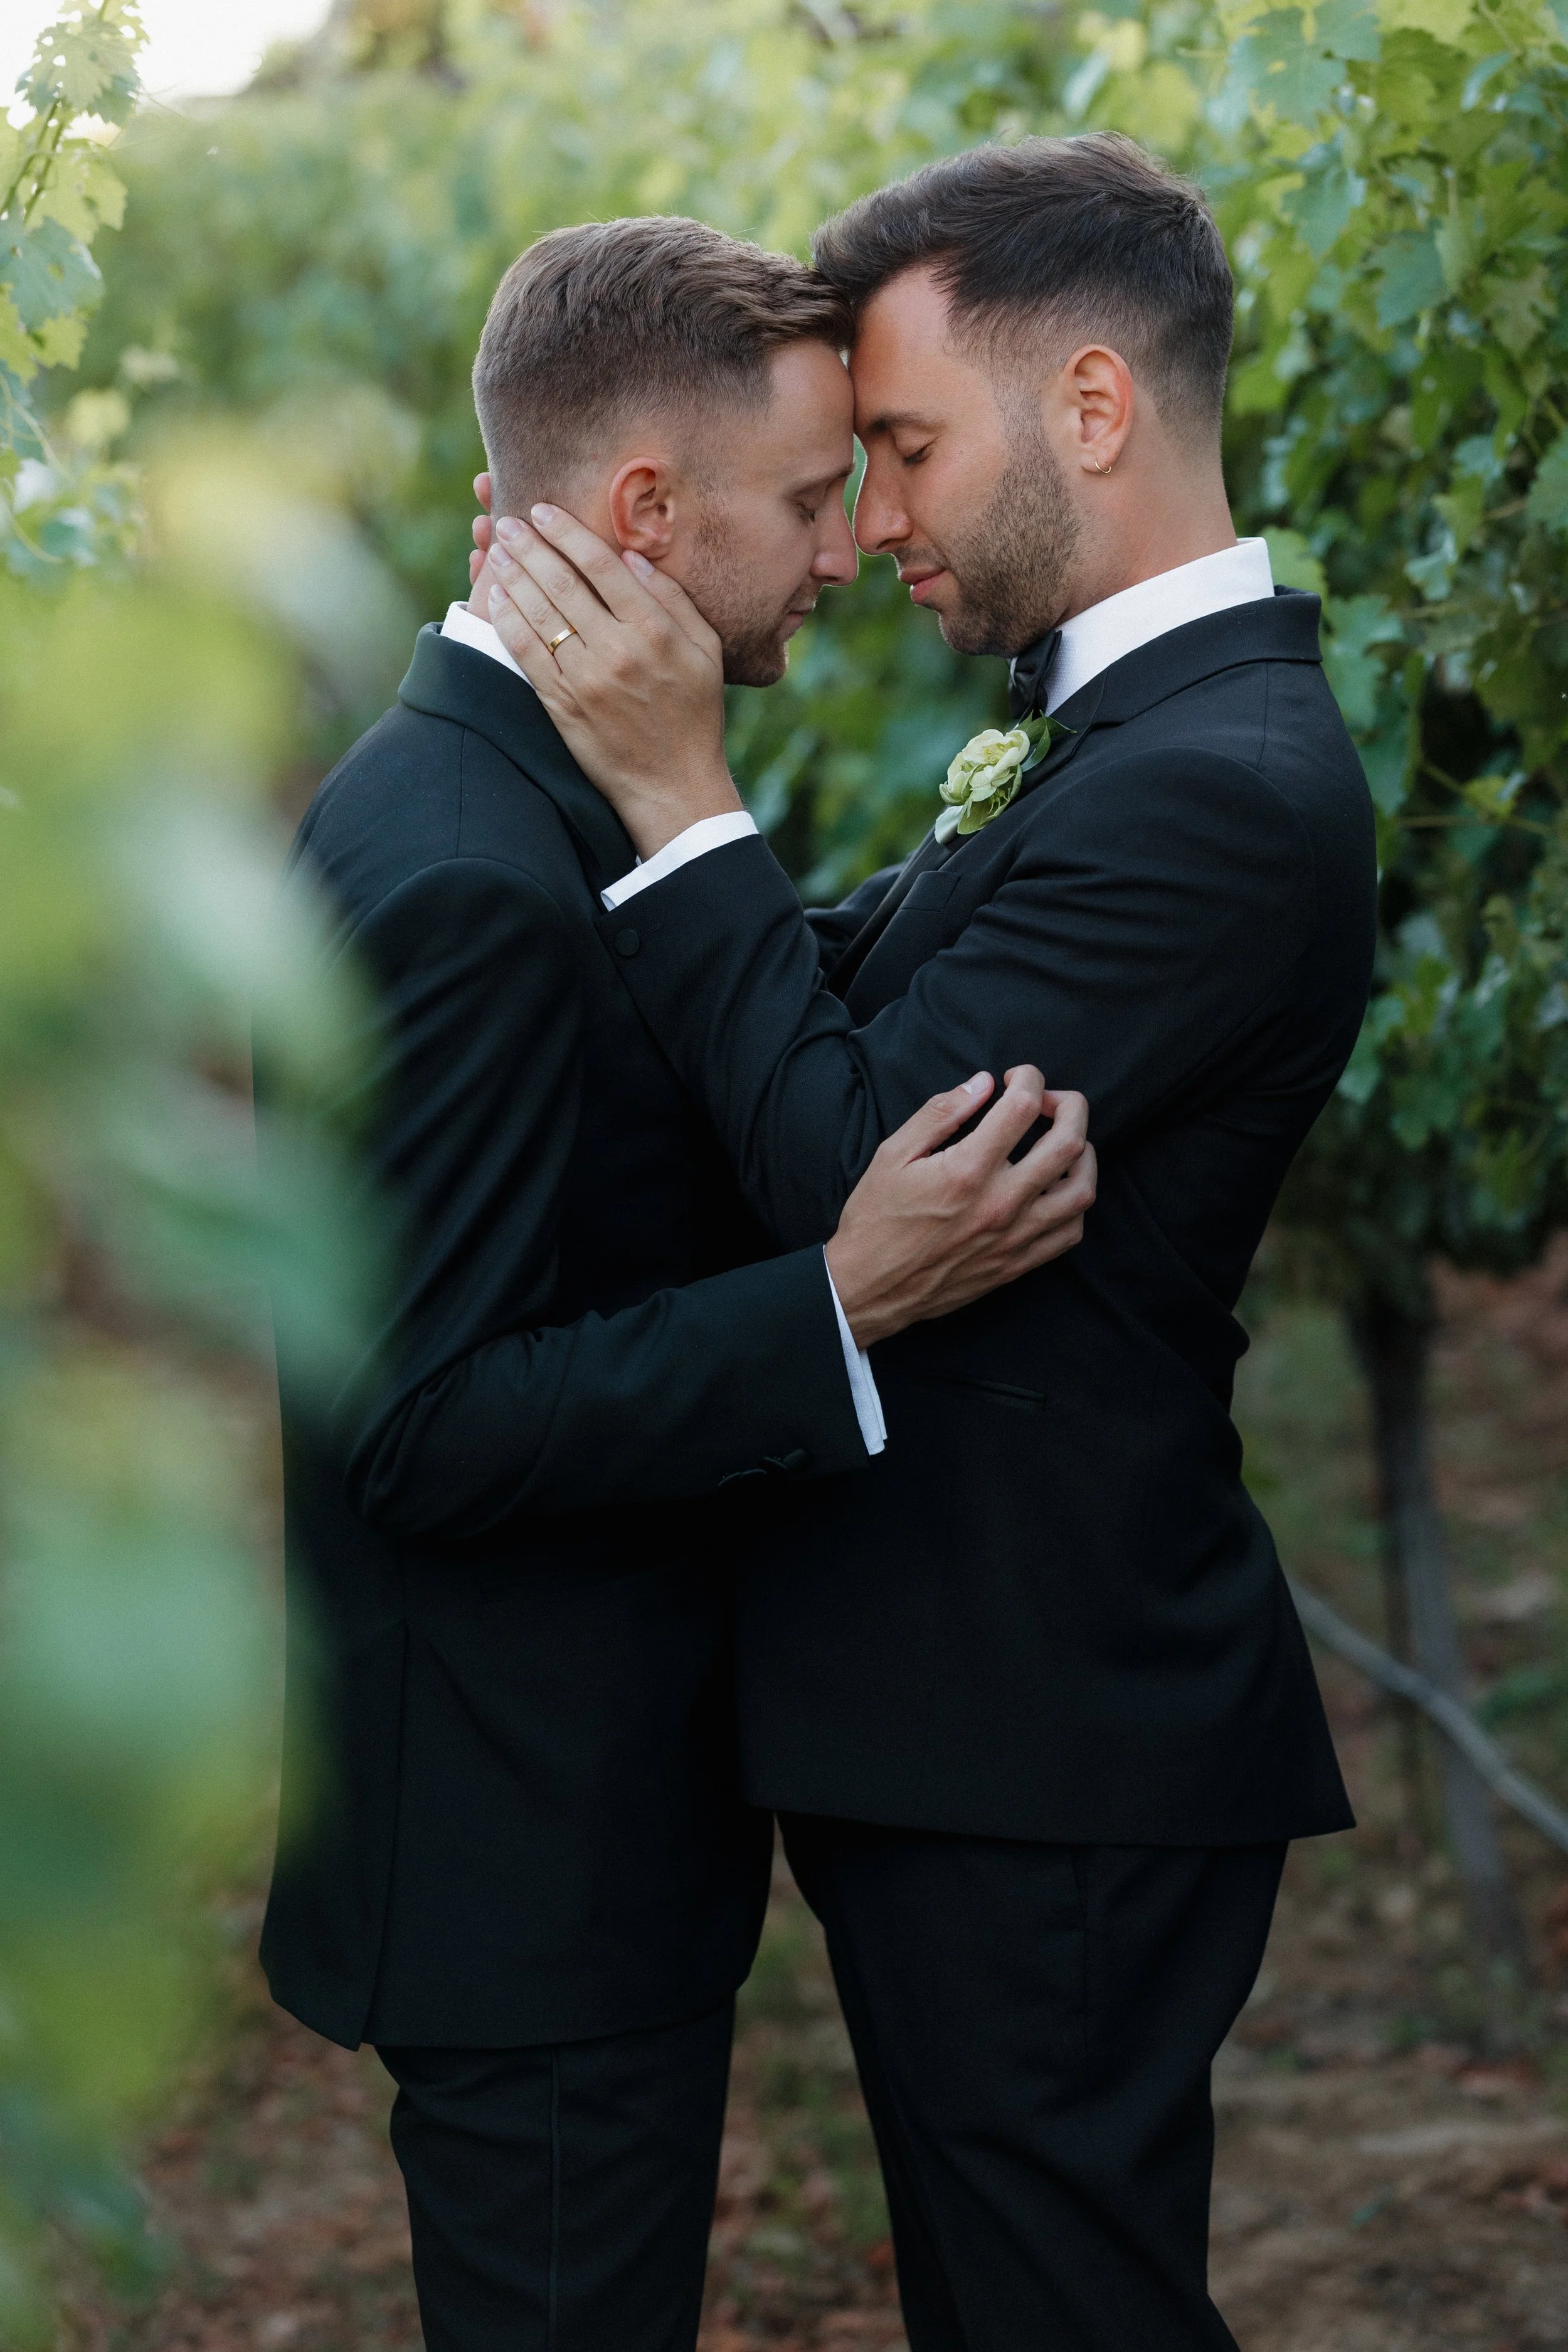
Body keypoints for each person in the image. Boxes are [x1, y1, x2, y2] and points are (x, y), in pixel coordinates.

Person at [480, 133, 1379, 2352]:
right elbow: (824, 995)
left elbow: (847, 1149)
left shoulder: (1220, 781)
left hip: (1048, 1722)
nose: (870, 522)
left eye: (899, 447)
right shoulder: (1104, 728)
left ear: (1088, 407)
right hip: (978, 1714)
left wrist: (681, 797)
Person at [261, 215, 1095, 2352]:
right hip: (522, 1881)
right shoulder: (457, 864)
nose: (846, 549)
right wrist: (841, 1297)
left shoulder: (538, 793)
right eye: (814, 499)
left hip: (570, 1848)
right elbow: (419, 1420)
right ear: (645, 511)